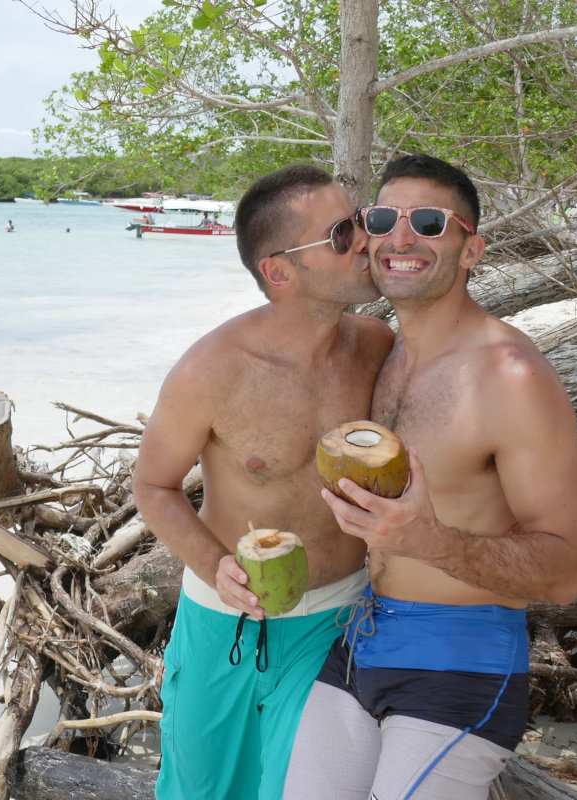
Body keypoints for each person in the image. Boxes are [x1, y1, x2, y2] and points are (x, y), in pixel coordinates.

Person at [284, 154, 577, 800]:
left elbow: (566, 572)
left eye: (428, 223)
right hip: (358, 646)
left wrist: (425, 539)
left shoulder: (510, 375)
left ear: (471, 249)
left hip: (460, 664)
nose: (401, 238)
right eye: (384, 219)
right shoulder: (381, 356)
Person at [133, 164, 394, 800]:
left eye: (358, 221)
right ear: (279, 270)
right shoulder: (211, 370)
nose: (364, 239)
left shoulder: (377, 348)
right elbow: (155, 487)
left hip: (334, 621)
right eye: (340, 234)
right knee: (200, 791)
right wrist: (216, 562)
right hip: (222, 623)